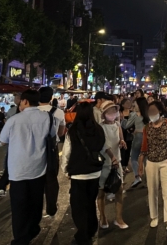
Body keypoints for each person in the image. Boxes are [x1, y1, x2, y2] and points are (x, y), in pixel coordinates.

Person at [0, 90, 56, 245]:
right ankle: (32, 228)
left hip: (18, 169)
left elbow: (3, 140)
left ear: (24, 101)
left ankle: (20, 238)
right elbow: (53, 136)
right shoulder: (47, 117)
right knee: (36, 202)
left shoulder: (14, 120)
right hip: (39, 167)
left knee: (19, 206)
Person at [61, 102, 107, 245]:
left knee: (78, 206)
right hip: (94, 172)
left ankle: (83, 234)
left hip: (78, 174)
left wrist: (65, 170)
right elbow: (102, 147)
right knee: (90, 203)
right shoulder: (98, 129)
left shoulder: (73, 130)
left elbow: (66, 153)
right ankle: (91, 230)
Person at [138, 100, 167, 232]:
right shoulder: (147, 127)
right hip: (151, 162)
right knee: (152, 190)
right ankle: (154, 217)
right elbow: (144, 148)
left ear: (160, 111)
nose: (151, 114)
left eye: (154, 111)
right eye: (150, 111)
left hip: (166, 162)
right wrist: (141, 164)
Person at [97, 101, 128, 229]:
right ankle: (103, 217)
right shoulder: (100, 127)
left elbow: (121, 139)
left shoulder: (117, 124)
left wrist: (122, 142)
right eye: (109, 111)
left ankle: (119, 219)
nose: (112, 113)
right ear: (104, 114)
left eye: (114, 111)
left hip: (117, 163)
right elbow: (103, 145)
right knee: (101, 192)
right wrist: (112, 157)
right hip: (104, 164)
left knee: (119, 190)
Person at [38, 87, 66, 217]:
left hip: (34, 149)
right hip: (52, 148)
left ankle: (36, 208)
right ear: (51, 98)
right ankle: (51, 207)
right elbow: (61, 132)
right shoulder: (58, 112)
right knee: (51, 178)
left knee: (36, 178)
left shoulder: (32, 112)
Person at [122, 96, 149, 188]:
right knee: (146, 159)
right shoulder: (149, 114)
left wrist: (122, 119)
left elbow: (126, 126)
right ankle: (148, 180)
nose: (134, 105)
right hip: (148, 138)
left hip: (138, 137)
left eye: (135, 104)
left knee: (134, 158)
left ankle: (138, 177)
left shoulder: (134, 114)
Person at [119, 98, 134, 174]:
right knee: (122, 151)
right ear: (122, 105)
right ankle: (121, 166)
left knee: (128, 150)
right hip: (121, 134)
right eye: (127, 103)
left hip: (129, 134)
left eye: (129, 102)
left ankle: (125, 166)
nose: (129, 104)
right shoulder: (120, 113)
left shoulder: (132, 113)